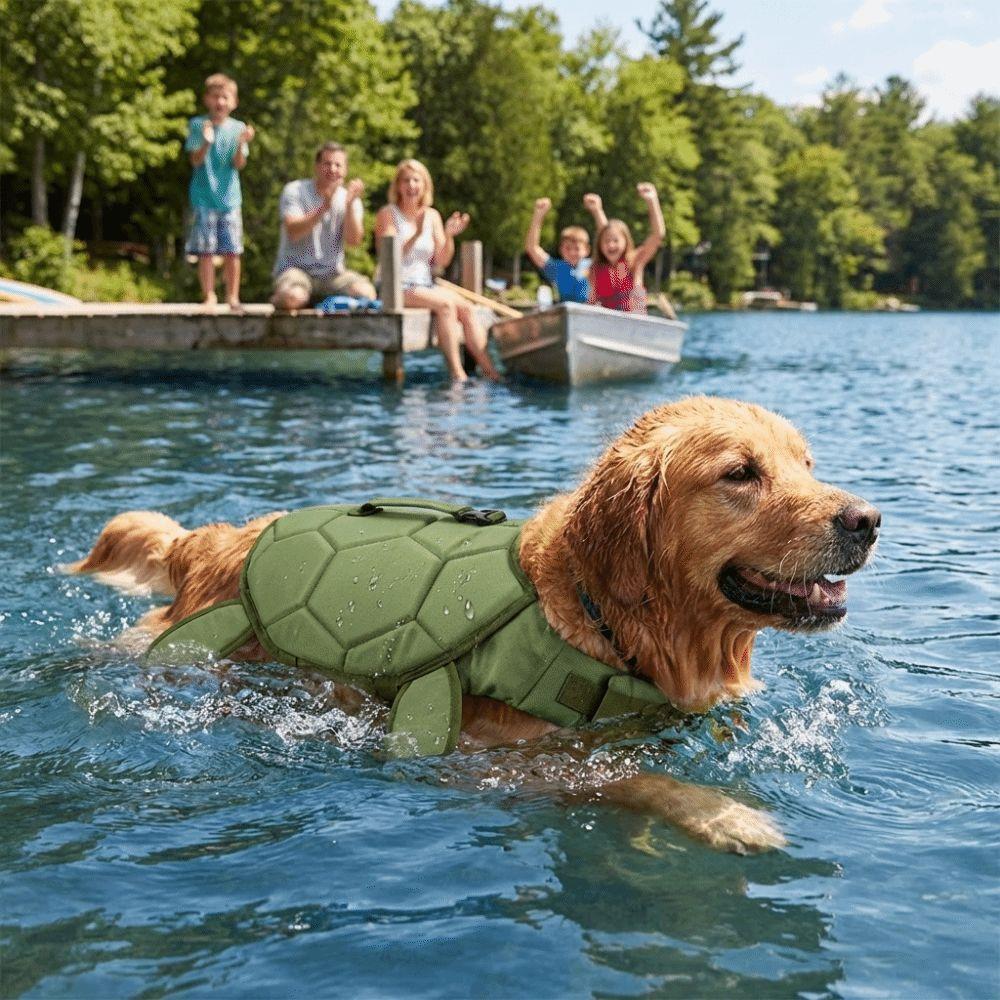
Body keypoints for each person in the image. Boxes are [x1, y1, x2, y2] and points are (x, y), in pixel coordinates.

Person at [374, 159, 500, 382]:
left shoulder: (432, 215)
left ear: (424, 185)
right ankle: (457, 373)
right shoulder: (388, 214)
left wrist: (449, 235)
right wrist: (416, 232)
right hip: (395, 285)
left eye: (416, 180)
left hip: (424, 285)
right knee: (446, 305)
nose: (411, 185)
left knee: (468, 309)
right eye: (406, 180)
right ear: (398, 186)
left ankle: (490, 371)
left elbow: (441, 260)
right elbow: (390, 257)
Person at [271, 142, 376, 309]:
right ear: (317, 167)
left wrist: (349, 206)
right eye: (327, 164)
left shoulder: (349, 198)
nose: (333, 169)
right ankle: (280, 298)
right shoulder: (295, 190)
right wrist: (324, 207)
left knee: (366, 292)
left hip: (333, 275)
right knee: (292, 297)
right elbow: (293, 232)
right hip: (297, 271)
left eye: (338, 165)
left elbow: (354, 241)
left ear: (345, 171)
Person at [184, 73, 254, 309]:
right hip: (203, 197)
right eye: (215, 97)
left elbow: (238, 164)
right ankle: (209, 295)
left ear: (233, 102)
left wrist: (242, 143)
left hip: (230, 199)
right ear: (207, 99)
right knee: (205, 250)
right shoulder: (197, 125)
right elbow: (195, 160)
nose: (220, 102)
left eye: (225, 97)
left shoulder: (238, 128)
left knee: (233, 250)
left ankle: (233, 296)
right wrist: (206, 141)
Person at [589, 183, 666, 314]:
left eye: (616, 241)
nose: (611, 245)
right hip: (608, 323)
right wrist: (597, 210)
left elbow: (658, 235)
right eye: (607, 242)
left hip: (634, 320)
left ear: (626, 242)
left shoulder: (635, 261)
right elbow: (592, 300)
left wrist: (652, 201)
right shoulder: (596, 268)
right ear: (600, 245)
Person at [524, 193, 608, 303]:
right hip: (566, 313)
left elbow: (607, 239)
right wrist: (538, 215)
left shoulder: (593, 266)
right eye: (568, 248)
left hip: (589, 312)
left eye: (577, 249)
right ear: (561, 250)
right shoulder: (556, 268)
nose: (572, 252)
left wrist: (598, 211)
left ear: (587, 250)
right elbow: (532, 248)